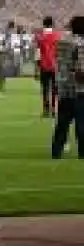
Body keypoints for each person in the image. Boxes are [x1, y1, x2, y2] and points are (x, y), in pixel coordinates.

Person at [50, 16, 84, 159]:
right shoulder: (80, 44)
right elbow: (81, 69)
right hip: (79, 88)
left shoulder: (61, 42)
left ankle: (56, 150)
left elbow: (59, 62)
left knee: (62, 123)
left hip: (64, 86)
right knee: (81, 123)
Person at [36, 17, 61, 118]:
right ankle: (54, 109)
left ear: (44, 24)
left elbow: (38, 52)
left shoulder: (40, 36)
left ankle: (46, 109)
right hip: (55, 65)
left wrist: (38, 63)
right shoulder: (57, 36)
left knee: (45, 88)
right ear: (52, 24)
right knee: (55, 89)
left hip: (44, 64)